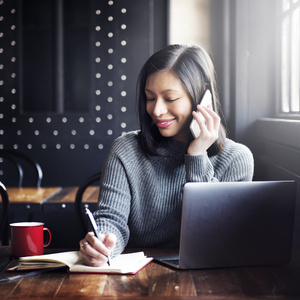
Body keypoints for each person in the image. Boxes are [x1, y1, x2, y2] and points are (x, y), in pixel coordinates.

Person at [79, 44, 254, 266]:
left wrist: (197, 155)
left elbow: (217, 238)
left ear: (202, 97)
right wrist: (103, 243)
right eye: (150, 98)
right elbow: (111, 219)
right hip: (136, 276)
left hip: (207, 279)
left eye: (170, 98)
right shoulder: (125, 150)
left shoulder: (237, 158)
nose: (157, 110)